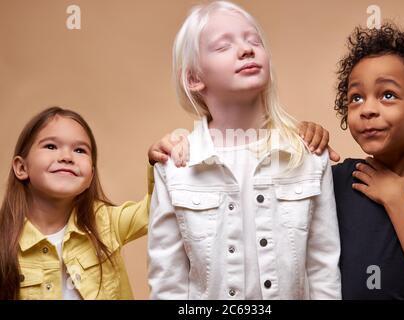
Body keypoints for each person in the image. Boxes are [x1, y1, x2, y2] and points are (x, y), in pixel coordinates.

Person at [147, 1, 341, 300]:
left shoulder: (309, 155)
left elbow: (323, 268)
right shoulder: (174, 167)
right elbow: (167, 282)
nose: (246, 49)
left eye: (254, 41)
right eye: (223, 46)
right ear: (194, 78)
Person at [332, 23, 404, 299]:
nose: (367, 110)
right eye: (356, 98)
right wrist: (300, 136)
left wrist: (395, 198)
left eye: (388, 95)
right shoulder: (339, 179)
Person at [0, 106, 156, 300]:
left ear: (90, 175)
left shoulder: (107, 222)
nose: (66, 157)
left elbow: (155, 209)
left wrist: (160, 164)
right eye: (51, 146)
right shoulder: (5, 239)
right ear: (22, 168)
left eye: (80, 150)